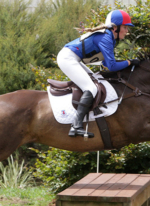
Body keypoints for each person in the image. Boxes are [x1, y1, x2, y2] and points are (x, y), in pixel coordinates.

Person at [57, 9, 140, 138]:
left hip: (73, 58)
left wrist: (127, 63)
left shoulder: (109, 37)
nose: (127, 31)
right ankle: (76, 126)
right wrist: (129, 63)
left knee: (95, 81)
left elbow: (107, 64)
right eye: (125, 27)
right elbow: (112, 66)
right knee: (91, 87)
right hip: (68, 58)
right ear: (115, 28)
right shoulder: (106, 37)